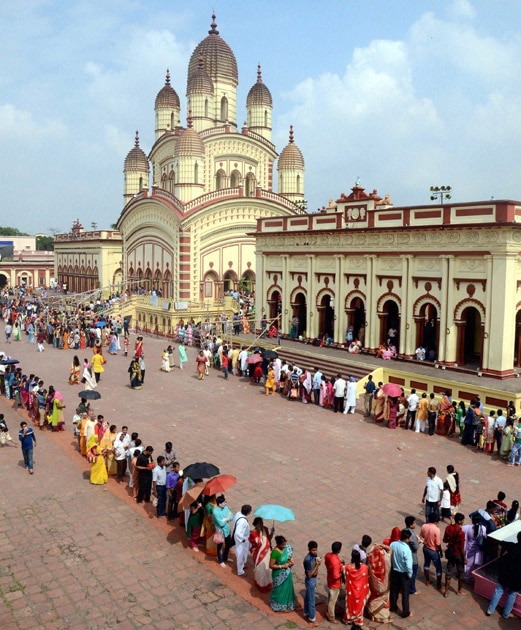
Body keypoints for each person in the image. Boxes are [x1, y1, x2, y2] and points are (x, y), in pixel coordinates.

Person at [486, 531, 521, 619]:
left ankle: (490, 610)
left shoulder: (512, 546)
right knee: (512, 595)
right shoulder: (512, 546)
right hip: (518, 577)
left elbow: (501, 541)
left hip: (506, 573)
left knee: (498, 591)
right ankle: (506, 614)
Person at [389, 529, 413, 619]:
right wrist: (410, 574)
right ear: (406, 539)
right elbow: (408, 565)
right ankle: (405, 612)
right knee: (405, 593)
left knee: (394, 590)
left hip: (394, 571)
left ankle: (393, 607)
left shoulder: (393, 544)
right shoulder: (406, 549)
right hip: (404, 573)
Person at [366, 540, 391, 623]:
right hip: (384, 587)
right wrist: (382, 546)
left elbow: (368, 554)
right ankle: (383, 617)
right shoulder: (387, 560)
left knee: (374, 599)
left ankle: (372, 614)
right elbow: (391, 550)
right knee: (383, 601)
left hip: (375, 588)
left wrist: (373, 548)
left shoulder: (371, 562)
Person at [269, 535, 296, 612]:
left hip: (287, 573)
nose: (284, 546)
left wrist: (291, 561)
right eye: (282, 545)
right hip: (279, 574)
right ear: (278, 544)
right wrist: (282, 566)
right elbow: (271, 565)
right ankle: (278, 605)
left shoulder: (287, 548)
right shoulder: (274, 553)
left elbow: (289, 557)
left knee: (288, 588)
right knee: (279, 590)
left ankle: (288, 605)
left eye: (285, 544)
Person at [343, 549, 370, 627]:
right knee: (359, 605)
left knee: (350, 604)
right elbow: (366, 578)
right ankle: (358, 619)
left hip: (351, 591)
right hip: (360, 590)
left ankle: (349, 619)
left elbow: (344, 572)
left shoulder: (347, 567)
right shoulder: (364, 567)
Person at [443, 512, 467, 597]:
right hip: (458, 554)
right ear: (460, 521)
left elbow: (444, 540)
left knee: (449, 571)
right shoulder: (461, 533)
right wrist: (464, 558)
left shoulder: (448, 528)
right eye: (463, 520)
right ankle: (459, 591)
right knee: (461, 572)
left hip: (451, 552)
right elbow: (461, 547)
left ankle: (446, 592)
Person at [249, 517, 273, 592]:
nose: (261, 525)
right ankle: (261, 584)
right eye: (259, 524)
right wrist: (260, 533)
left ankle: (268, 583)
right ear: (255, 525)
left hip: (267, 552)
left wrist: (272, 533)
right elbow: (259, 543)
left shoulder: (265, 529)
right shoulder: (253, 533)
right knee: (261, 569)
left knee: (267, 568)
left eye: (262, 523)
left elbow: (268, 539)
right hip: (259, 554)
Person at [420, 514, 443, 589]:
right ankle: (439, 584)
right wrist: (441, 552)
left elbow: (422, 536)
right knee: (438, 568)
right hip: (433, 550)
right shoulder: (437, 529)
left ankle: (427, 580)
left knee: (426, 564)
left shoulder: (424, 526)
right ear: (436, 520)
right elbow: (438, 543)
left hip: (426, 548)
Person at [462, 513, 486, 580]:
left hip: (469, 548)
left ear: (472, 520)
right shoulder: (483, 528)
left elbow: (465, 539)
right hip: (478, 548)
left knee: (468, 564)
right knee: (478, 564)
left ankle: (467, 577)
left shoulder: (466, 527)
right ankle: (476, 579)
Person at [324, 541, 343, 623]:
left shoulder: (328, 555)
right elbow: (336, 576)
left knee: (330, 597)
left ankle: (330, 610)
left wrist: (339, 562)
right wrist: (342, 573)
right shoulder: (335, 562)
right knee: (333, 600)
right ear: (339, 550)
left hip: (329, 579)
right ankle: (331, 617)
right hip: (335, 584)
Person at [213, 495, 234, 567]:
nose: (226, 503)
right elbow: (220, 523)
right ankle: (221, 560)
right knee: (220, 547)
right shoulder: (215, 512)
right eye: (224, 502)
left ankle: (225, 557)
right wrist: (227, 519)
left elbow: (232, 516)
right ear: (219, 504)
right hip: (220, 532)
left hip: (227, 530)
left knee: (228, 545)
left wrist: (225, 519)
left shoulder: (226, 508)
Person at [303, 540, 320, 624]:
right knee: (311, 600)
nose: (315, 552)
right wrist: (317, 565)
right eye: (313, 550)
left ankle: (306, 612)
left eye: (316, 550)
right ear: (309, 550)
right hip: (310, 580)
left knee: (307, 597)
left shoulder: (314, 556)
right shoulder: (308, 560)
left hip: (313, 579)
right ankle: (312, 618)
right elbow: (309, 575)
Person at [233, 504, 252, 576]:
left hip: (240, 539)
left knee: (241, 554)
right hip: (241, 540)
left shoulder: (238, 514)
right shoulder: (243, 521)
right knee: (241, 554)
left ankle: (242, 566)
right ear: (248, 512)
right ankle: (240, 571)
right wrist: (243, 539)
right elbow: (238, 533)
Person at [404, 516, 420, 595]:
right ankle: (412, 589)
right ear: (410, 525)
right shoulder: (412, 535)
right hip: (412, 557)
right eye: (414, 523)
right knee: (413, 574)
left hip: (405, 556)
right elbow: (415, 547)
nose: (415, 524)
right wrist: (418, 542)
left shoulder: (403, 531)